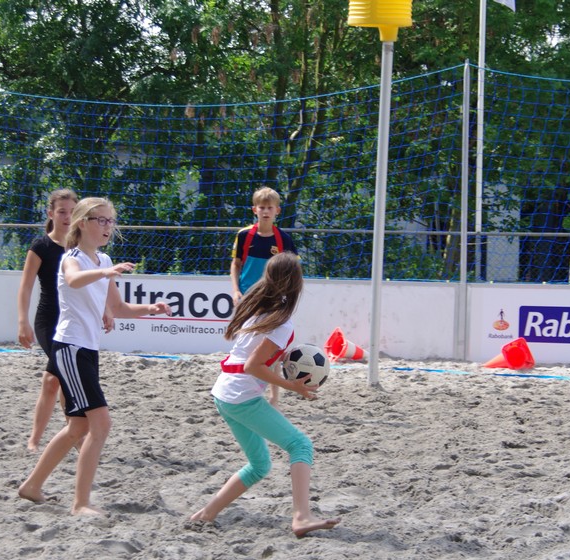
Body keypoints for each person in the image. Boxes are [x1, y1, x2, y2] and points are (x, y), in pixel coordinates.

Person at [18, 197, 173, 515]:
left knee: (77, 427)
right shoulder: (71, 258)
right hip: (70, 348)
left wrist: (151, 308)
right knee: (100, 424)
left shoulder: (103, 259)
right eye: (100, 220)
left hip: (87, 349)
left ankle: (32, 486)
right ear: (81, 223)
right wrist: (105, 272)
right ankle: (81, 503)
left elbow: (118, 308)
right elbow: (74, 280)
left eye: (110, 221)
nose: (107, 227)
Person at [191, 252, 339, 538]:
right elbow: (253, 365)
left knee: (259, 465)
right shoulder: (281, 324)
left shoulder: (259, 310)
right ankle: (301, 517)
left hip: (225, 394)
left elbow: (263, 360)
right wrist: (293, 386)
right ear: (296, 284)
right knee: (301, 445)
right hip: (241, 397)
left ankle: (206, 513)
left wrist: (276, 394)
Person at [17, 189, 113, 452]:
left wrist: (107, 308)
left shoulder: (85, 248)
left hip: (75, 319)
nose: (67, 216)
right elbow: (26, 286)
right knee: (57, 379)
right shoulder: (41, 247)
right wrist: (22, 321)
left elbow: (97, 287)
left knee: (53, 381)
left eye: (72, 211)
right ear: (51, 214)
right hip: (50, 320)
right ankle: (51, 437)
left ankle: (69, 432)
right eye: (61, 211)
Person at [229, 186, 298, 406]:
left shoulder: (283, 239)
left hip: (273, 299)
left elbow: (293, 268)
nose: (265, 211)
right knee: (246, 346)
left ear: (277, 210)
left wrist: (286, 294)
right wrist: (235, 290)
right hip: (248, 299)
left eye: (270, 207)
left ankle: (274, 396)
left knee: (270, 348)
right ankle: (246, 390)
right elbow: (236, 264)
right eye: (262, 207)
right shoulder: (244, 235)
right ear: (254, 210)